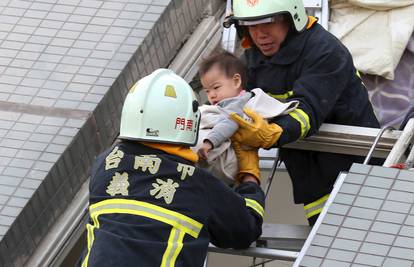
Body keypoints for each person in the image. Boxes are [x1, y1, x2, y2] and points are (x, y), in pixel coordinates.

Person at [78, 68, 265, 267]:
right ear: (188, 123)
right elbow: (244, 231)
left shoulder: (103, 165)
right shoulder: (197, 184)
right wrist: (249, 177)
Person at [224, 0, 382, 225]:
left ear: (291, 18)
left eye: (268, 23)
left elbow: (307, 111)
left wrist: (272, 133)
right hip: (311, 177)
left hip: (358, 174)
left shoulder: (325, 51)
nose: (260, 35)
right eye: (251, 26)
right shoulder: (254, 56)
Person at [193, 50, 298, 184]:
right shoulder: (237, 101)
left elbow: (229, 121)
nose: (211, 95)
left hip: (228, 162)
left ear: (236, 81)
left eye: (216, 87)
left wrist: (208, 143)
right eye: (207, 91)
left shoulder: (236, 103)